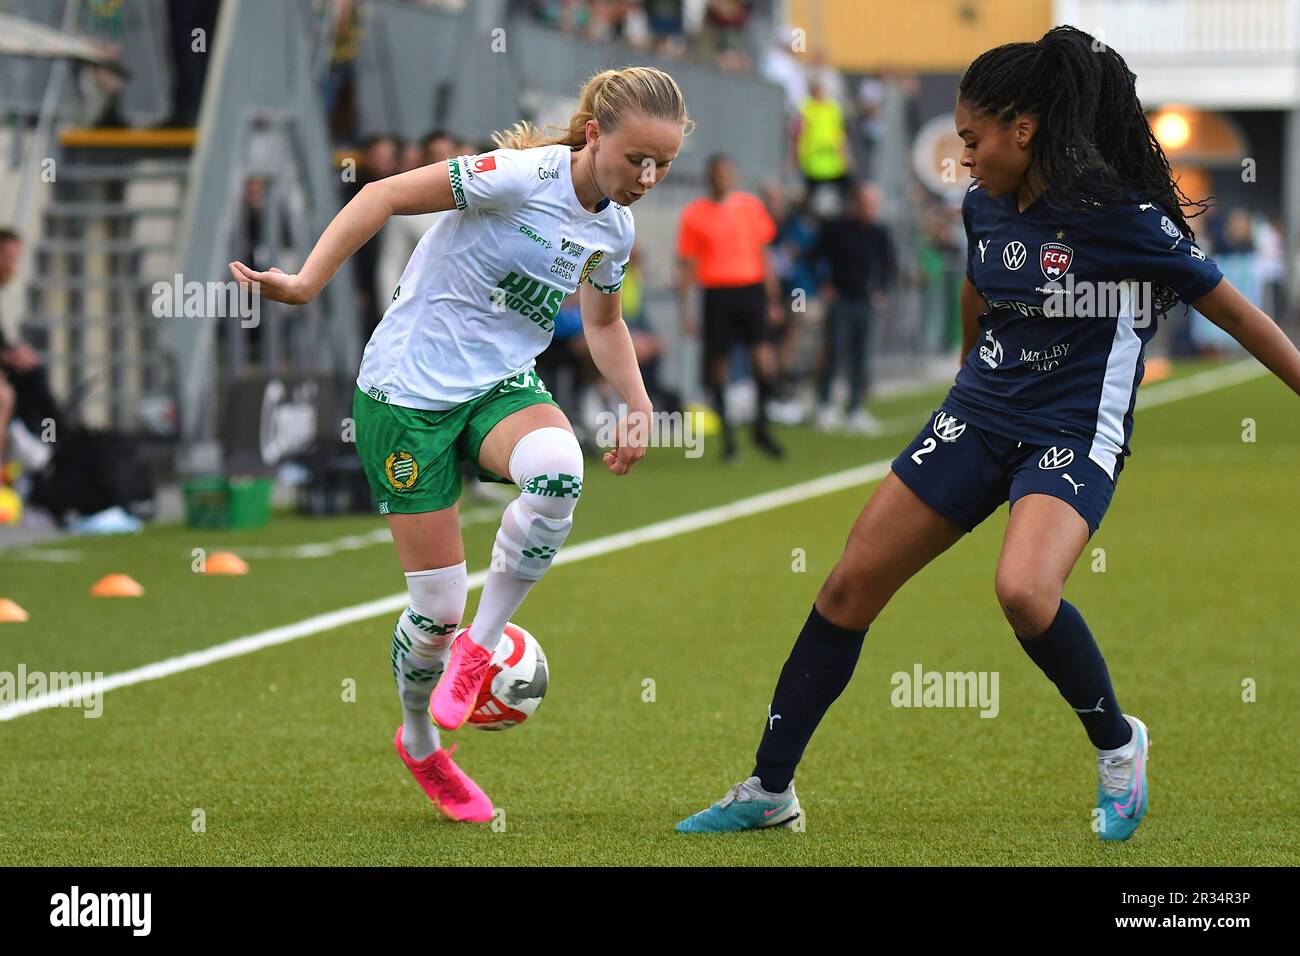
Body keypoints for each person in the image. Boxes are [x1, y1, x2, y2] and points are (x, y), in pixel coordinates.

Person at [675, 26, 1300, 840]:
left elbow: (1239, 314)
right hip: (979, 416)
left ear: (1024, 130)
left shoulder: (1123, 219)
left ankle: (1119, 745)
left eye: (973, 140)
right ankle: (768, 789)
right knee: (845, 589)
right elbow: (979, 290)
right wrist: (968, 382)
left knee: (1024, 594)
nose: (964, 158)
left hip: (1074, 431)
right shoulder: (983, 204)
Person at [231, 67, 690, 823]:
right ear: (594, 134)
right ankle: (420, 742)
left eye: (663, 165)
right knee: (433, 609)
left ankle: (482, 647)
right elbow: (379, 196)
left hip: (498, 387)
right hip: (405, 394)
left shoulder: (614, 227)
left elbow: (603, 325)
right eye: (637, 157)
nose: (647, 177)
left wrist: (637, 402)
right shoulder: (514, 178)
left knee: (557, 469)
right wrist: (309, 281)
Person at [676, 153, 785, 460]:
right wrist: (686, 311)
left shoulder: (750, 206)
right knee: (719, 364)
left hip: (750, 291)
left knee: (763, 359)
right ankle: (728, 439)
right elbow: (686, 265)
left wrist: (773, 299)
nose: (723, 178)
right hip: (716, 294)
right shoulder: (694, 214)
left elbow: (765, 254)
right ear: (710, 177)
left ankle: (761, 427)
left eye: (727, 172)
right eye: (717, 173)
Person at [813, 181, 895, 434]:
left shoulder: (879, 233)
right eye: (864, 203)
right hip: (840, 300)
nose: (868, 209)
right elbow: (815, 256)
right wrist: (824, 283)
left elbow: (889, 266)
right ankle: (825, 405)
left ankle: (855, 408)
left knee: (861, 356)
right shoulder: (836, 229)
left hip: (865, 301)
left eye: (872, 204)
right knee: (835, 351)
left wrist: (881, 291)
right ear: (855, 204)